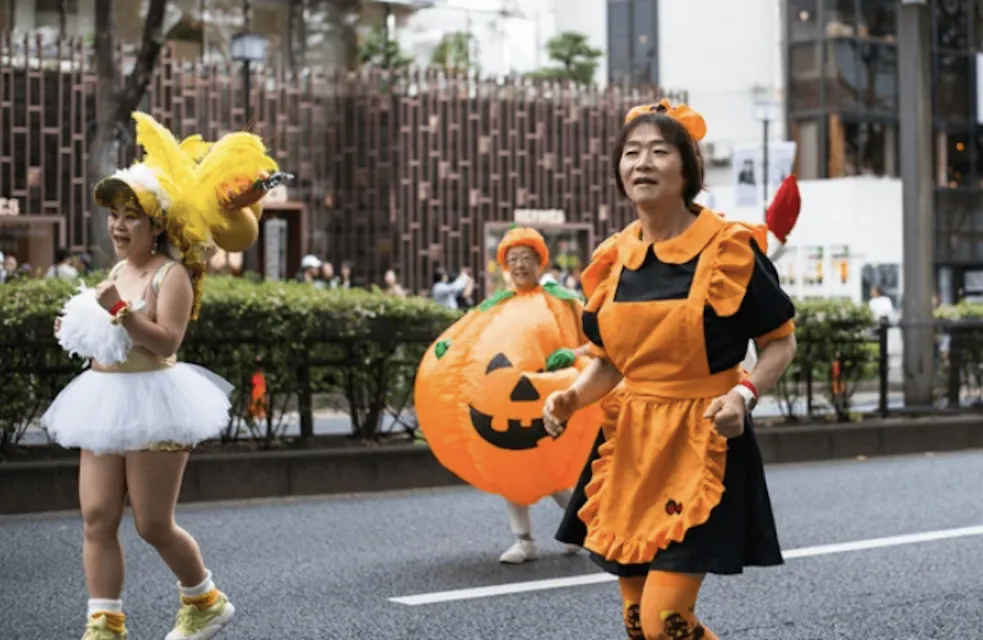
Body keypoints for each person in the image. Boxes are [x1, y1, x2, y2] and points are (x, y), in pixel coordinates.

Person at [548, 100, 798, 639]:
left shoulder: (730, 249)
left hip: (703, 436)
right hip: (633, 443)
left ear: (688, 170)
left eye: (660, 151)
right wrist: (572, 396)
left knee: (667, 621)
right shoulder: (614, 258)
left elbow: (779, 343)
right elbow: (612, 362)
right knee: (638, 622)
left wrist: (745, 395)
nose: (643, 162)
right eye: (632, 152)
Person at [40, 111, 282, 640]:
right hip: (103, 399)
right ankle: (105, 623)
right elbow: (109, 339)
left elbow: (166, 340)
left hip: (155, 400)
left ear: (158, 226)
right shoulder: (117, 272)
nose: (119, 226)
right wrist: (78, 326)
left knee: (152, 523)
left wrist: (121, 312)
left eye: (133, 216)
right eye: (116, 215)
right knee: (97, 517)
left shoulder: (172, 275)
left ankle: (204, 601)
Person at [414, 226, 601, 564]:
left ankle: (580, 530)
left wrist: (572, 354)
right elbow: (468, 337)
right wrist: (447, 349)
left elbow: (593, 340)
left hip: (553, 396)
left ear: (539, 262)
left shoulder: (562, 301)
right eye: (512, 259)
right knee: (509, 472)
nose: (519, 266)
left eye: (526, 258)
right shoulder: (495, 306)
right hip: (497, 403)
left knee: (557, 477)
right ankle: (524, 540)